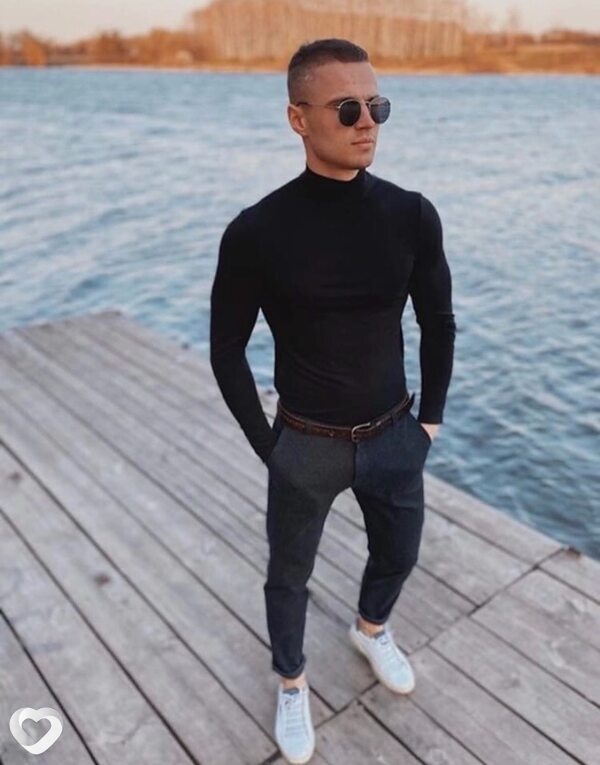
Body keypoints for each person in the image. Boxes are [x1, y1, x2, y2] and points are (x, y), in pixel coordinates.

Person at [210, 37, 456, 765]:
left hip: (395, 435)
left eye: (377, 105)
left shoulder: (412, 215)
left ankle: (371, 628)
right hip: (305, 444)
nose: (367, 122)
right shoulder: (256, 232)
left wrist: (429, 423)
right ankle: (292, 681)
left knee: (400, 551)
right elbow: (227, 348)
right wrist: (270, 447)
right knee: (288, 575)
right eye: (348, 108)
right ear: (299, 118)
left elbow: (439, 322)